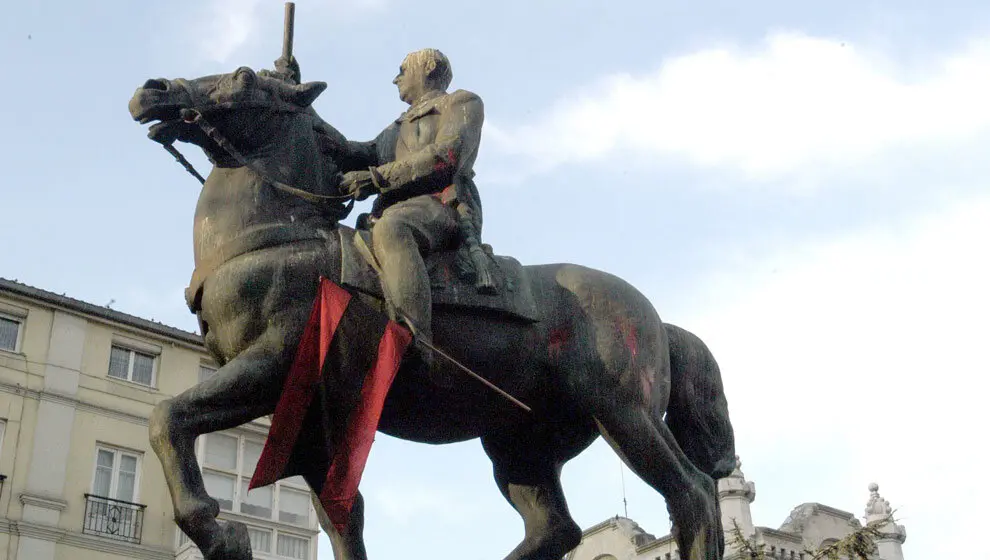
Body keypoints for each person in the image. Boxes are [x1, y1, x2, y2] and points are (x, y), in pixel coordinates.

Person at [275, 48, 494, 367]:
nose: (396, 78)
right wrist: (299, 100)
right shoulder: (396, 128)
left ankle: (414, 344)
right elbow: (349, 151)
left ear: (429, 67)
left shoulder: (461, 102)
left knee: (393, 229)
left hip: (442, 205)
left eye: (403, 70)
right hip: (395, 208)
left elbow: (448, 154)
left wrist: (377, 177)